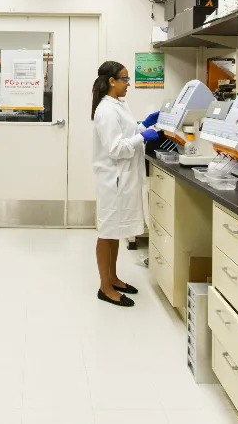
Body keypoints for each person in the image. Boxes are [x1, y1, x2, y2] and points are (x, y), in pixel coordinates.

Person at [91, 61, 160, 307]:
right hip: (113, 180)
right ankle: (105, 287)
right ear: (112, 81)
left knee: (115, 232)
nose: (128, 84)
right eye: (125, 79)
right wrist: (142, 136)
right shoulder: (106, 110)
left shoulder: (119, 105)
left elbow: (125, 134)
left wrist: (143, 126)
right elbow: (116, 148)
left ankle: (113, 278)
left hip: (122, 179)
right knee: (107, 232)